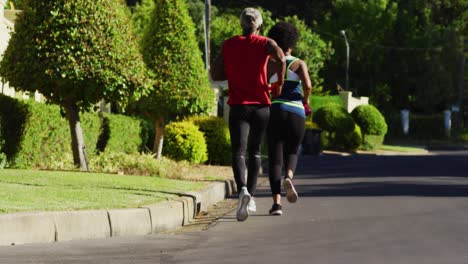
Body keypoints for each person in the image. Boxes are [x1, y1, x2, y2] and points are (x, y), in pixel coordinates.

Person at [211, 7, 286, 221]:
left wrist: (233, 72)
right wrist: (279, 82)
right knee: (254, 151)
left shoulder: (229, 44)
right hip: (261, 106)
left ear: (241, 25)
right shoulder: (266, 43)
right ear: (259, 26)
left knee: (238, 152)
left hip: (238, 106)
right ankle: (251, 196)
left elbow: (215, 74)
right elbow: (281, 59)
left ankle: (242, 189)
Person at [266, 22, 312, 215]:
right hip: (296, 112)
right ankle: (289, 176)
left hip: (275, 110)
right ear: (292, 43)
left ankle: (277, 204)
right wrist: (305, 102)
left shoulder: (270, 63)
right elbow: (308, 86)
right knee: (292, 151)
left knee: (275, 158)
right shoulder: (299, 63)